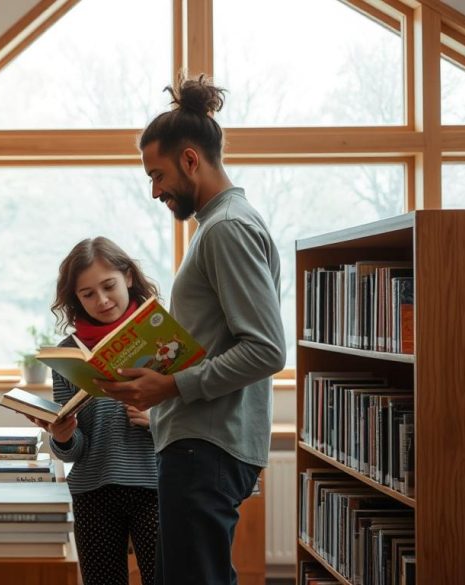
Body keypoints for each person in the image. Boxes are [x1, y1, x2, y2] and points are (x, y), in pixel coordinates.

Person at [96, 74, 287, 585]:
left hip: (205, 446)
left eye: (157, 175)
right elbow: (225, 340)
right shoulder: (222, 224)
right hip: (202, 442)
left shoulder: (226, 229)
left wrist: (170, 384)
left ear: (189, 160)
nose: (155, 191)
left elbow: (267, 349)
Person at [27, 237, 159, 585]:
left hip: (157, 485)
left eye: (108, 286)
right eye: (87, 294)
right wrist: (63, 437)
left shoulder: (163, 337)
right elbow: (74, 447)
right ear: (76, 299)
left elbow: (193, 417)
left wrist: (158, 420)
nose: (101, 301)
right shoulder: (68, 353)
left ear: (128, 277)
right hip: (92, 491)